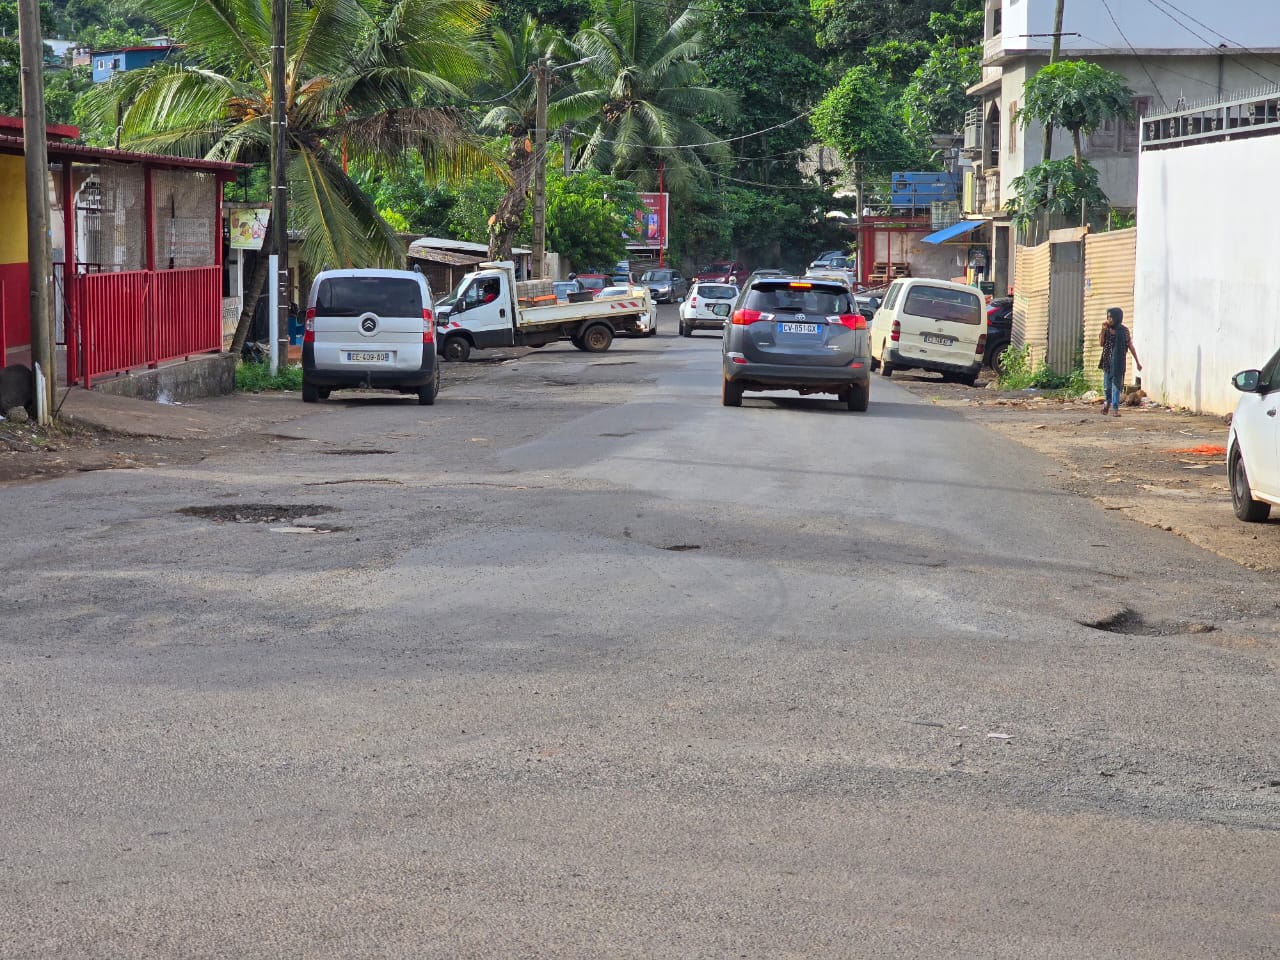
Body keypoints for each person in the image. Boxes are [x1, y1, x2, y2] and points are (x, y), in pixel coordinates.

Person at [1098, 306, 1141, 416]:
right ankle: (1107, 403)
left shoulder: (1124, 330)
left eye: (1111, 317)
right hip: (1107, 362)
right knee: (1107, 386)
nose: (1109, 319)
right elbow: (1101, 343)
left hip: (1118, 363)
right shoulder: (1106, 329)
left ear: (1117, 318)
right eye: (1108, 317)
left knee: (1116, 386)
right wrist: (1103, 330)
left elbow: (1130, 346)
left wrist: (1137, 362)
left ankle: (1115, 409)